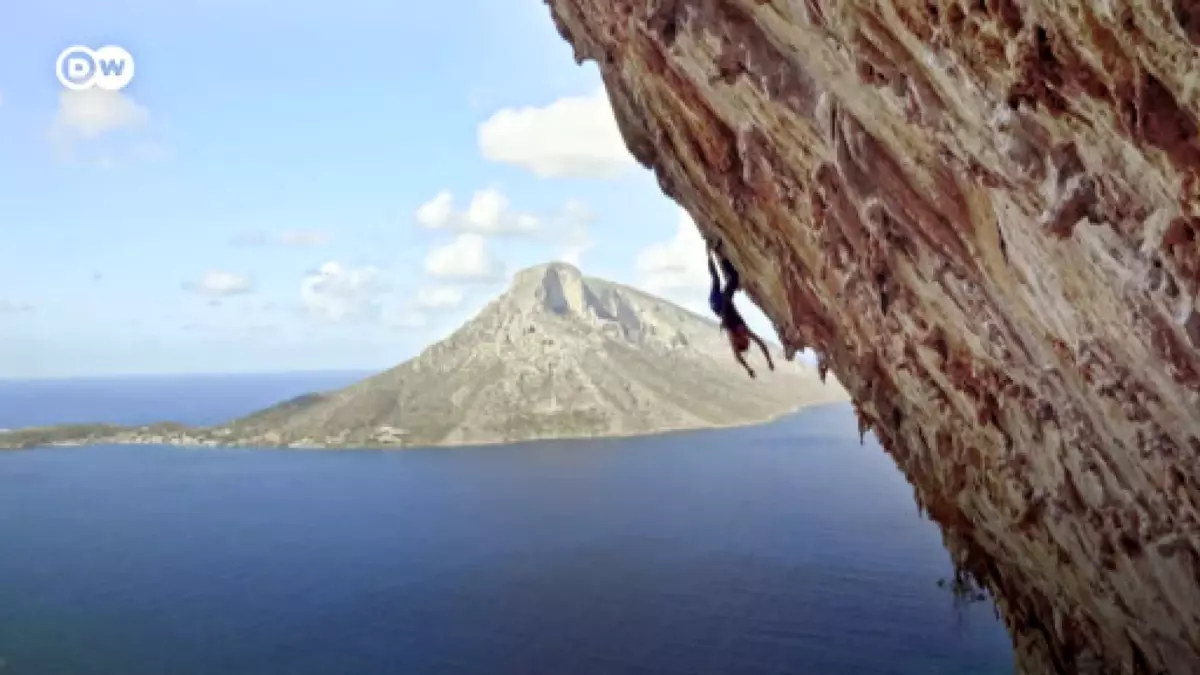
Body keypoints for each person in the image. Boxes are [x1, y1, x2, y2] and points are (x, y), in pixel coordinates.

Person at [707, 242, 774, 378]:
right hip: (726, 301)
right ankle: (721, 255)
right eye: (747, 341)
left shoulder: (732, 334)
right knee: (734, 279)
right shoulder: (745, 331)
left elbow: (737, 356)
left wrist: (748, 368)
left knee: (716, 280)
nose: (747, 340)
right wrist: (769, 361)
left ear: (740, 342)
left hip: (716, 304)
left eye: (745, 342)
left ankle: (709, 253)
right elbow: (761, 344)